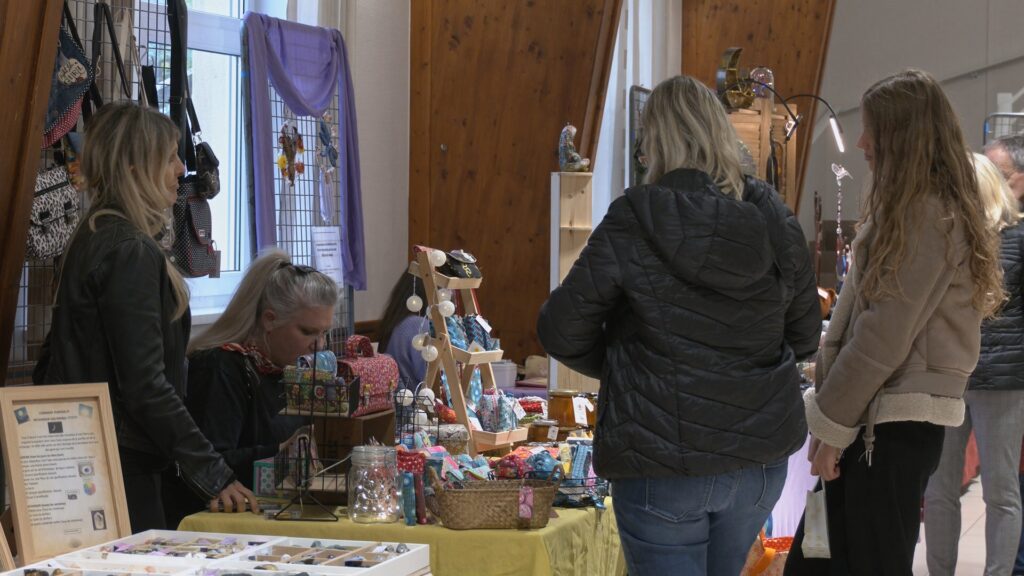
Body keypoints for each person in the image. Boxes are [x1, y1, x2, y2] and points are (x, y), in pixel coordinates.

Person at [536, 75, 821, 575]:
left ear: (655, 143)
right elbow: (803, 336)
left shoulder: (633, 217)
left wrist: (630, 366)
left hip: (661, 458)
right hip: (757, 455)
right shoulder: (773, 215)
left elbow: (561, 328)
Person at [785, 69, 1004, 575]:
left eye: (873, 131)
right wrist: (834, 423)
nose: (862, 143)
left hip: (886, 427)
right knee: (826, 559)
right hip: (875, 420)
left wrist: (832, 428)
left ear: (903, 136)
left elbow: (882, 339)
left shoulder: (926, 214)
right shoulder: (916, 208)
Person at [33, 102, 256, 531]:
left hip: (93, 457)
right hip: (120, 467)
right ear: (137, 167)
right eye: (171, 157)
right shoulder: (128, 250)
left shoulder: (96, 233)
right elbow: (144, 384)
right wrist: (213, 474)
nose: (181, 169)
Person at [161, 250, 338, 528]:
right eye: (307, 332)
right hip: (216, 524)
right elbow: (207, 462)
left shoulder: (289, 371)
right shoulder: (220, 367)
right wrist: (279, 450)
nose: (320, 345)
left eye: (325, 333)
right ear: (269, 319)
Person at [923, 152, 1024, 576]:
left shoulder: (1016, 238)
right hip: (949, 374)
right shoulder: (946, 236)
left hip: (1000, 378)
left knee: (1000, 490)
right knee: (940, 487)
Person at [377, 271, 428, 386]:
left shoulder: (396, 320)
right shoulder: (419, 325)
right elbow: (428, 376)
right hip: (418, 399)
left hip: (394, 396)